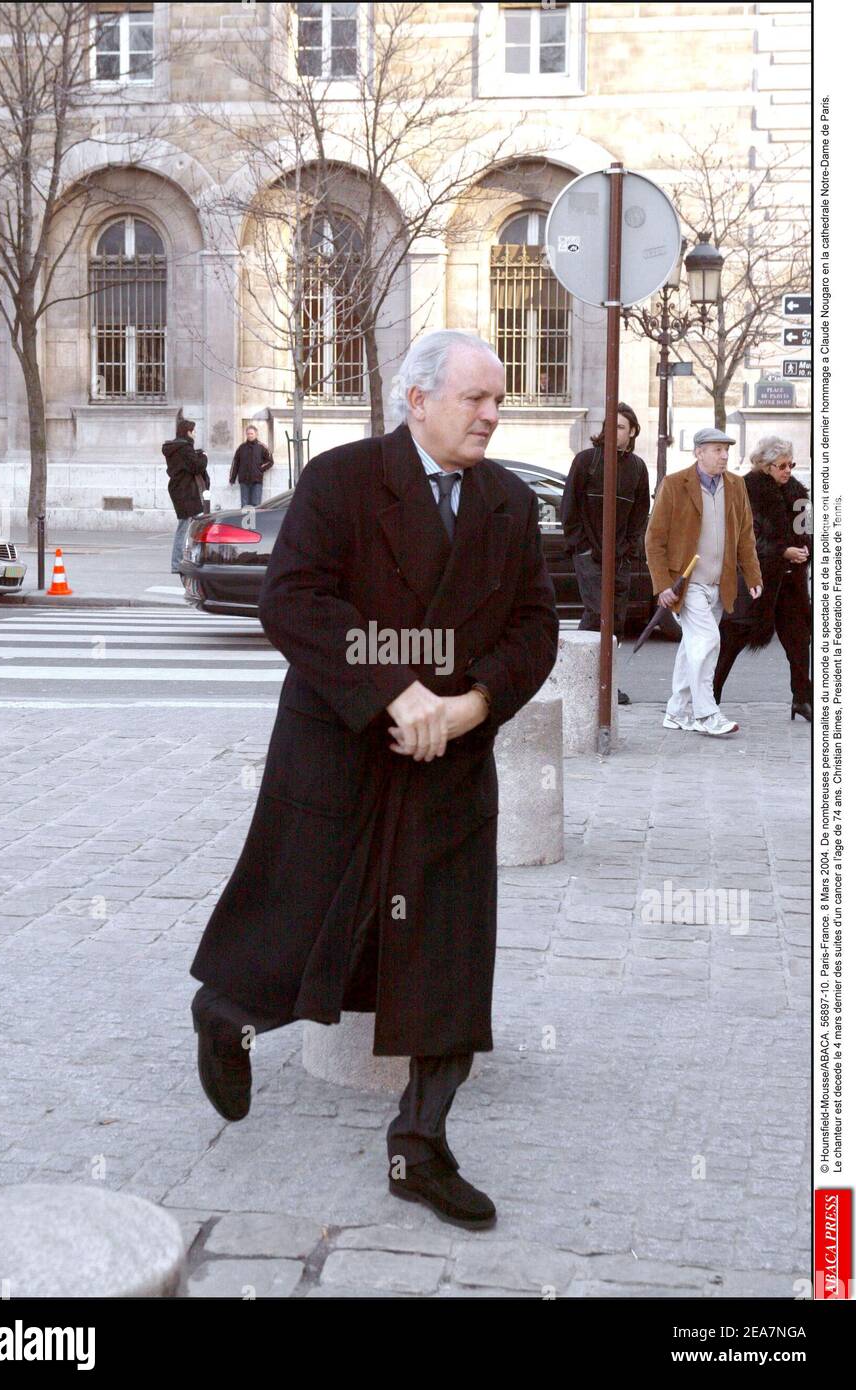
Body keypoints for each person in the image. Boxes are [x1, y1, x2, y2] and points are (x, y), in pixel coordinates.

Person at [189, 329, 559, 1230]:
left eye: (498, 399)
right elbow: (296, 599)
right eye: (475, 398)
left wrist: (471, 705)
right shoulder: (344, 480)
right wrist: (395, 690)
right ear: (416, 399)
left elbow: (534, 629)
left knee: (447, 959)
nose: (492, 415)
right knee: (306, 917)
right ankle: (226, 1014)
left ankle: (420, 1147)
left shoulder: (508, 502)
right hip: (342, 747)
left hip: (451, 766)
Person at [645, 427, 762, 737]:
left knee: (692, 646)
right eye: (716, 449)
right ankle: (706, 714)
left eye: (726, 450)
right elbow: (654, 540)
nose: (724, 455)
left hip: (718, 584)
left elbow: (746, 536)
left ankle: (676, 711)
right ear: (698, 452)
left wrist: (752, 575)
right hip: (687, 584)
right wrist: (662, 586)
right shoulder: (674, 485)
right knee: (708, 642)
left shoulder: (736, 485)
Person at [713, 436, 812, 721]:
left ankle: (801, 698)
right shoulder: (747, 490)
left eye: (791, 464)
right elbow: (746, 539)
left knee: (798, 640)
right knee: (733, 636)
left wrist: (806, 548)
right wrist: (783, 551)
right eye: (782, 465)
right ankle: (711, 695)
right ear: (766, 466)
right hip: (757, 581)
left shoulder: (798, 493)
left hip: (791, 583)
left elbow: (807, 530)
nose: (788, 470)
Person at [561, 402, 650, 705]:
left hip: (620, 556)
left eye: (621, 427)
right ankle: (585, 680)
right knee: (599, 612)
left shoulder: (637, 467)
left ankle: (601, 682)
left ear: (633, 431)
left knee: (616, 619)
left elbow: (640, 513)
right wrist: (581, 547)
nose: (614, 432)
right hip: (589, 553)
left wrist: (629, 548)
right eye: (609, 426)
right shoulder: (587, 461)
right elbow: (569, 507)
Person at [163, 418, 210, 580]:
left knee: (193, 524)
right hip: (186, 491)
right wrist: (204, 456)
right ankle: (177, 563)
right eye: (194, 431)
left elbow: (187, 463)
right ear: (188, 432)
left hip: (181, 490)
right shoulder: (184, 448)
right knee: (185, 526)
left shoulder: (177, 447)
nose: (195, 434)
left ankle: (190, 560)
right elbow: (196, 466)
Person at [229, 424, 274, 507]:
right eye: (248, 434)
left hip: (256, 480)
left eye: (251, 433)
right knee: (244, 505)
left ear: (256, 434)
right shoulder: (241, 447)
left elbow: (270, 461)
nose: (249, 435)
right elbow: (235, 463)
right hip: (244, 480)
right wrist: (232, 478)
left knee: (256, 504)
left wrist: (260, 469)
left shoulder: (262, 447)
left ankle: (256, 520)